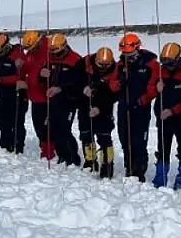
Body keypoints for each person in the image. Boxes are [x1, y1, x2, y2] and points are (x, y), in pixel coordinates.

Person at [115, 33, 160, 182]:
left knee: (139, 141)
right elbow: (112, 84)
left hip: (140, 109)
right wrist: (120, 83)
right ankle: (129, 167)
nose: (127, 55)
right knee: (124, 139)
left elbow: (153, 87)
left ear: (137, 48)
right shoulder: (120, 65)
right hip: (123, 107)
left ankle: (139, 170)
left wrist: (144, 100)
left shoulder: (151, 64)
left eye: (129, 52)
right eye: (124, 53)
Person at [152, 42, 181, 190]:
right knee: (163, 148)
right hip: (163, 119)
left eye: (169, 62)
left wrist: (173, 111)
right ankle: (160, 178)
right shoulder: (160, 73)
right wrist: (156, 87)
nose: (166, 65)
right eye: (163, 62)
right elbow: (152, 92)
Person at [45, 33, 84, 166]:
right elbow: (44, 79)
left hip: (70, 100)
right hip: (54, 100)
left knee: (65, 128)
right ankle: (62, 154)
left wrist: (60, 88)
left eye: (56, 50)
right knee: (54, 127)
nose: (54, 53)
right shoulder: (50, 58)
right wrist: (42, 75)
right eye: (52, 51)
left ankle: (73, 157)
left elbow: (79, 83)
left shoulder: (76, 60)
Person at [83, 46, 120, 179]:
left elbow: (114, 95)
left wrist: (100, 108)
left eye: (107, 65)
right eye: (100, 65)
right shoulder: (86, 65)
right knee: (86, 134)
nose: (103, 68)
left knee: (104, 137)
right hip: (86, 106)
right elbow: (75, 81)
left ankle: (107, 165)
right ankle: (90, 160)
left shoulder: (116, 72)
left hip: (105, 110)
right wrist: (84, 88)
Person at [0, 32, 26, 154]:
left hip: (18, 94)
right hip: (4, 94)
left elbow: (22, 78)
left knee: (17, 122)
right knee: (3, 120)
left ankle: (17, 146)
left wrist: (1, 79)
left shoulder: (17, 56)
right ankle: (5, 143)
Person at [19, 30, 54, 160]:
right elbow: (27, 70)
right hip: (34, 96)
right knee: (38, 126)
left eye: (32, 48)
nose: (30, 50)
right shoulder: (30, 54)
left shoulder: (50, 50)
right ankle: (44, 150)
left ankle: (51, 152)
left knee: (48, 127)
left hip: (47, 97)